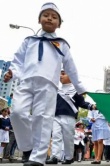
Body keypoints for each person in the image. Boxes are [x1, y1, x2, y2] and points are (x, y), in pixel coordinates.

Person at [3, 2, 86, 166]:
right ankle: (27, 148)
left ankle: (37, 158)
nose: (50, 18)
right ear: (39, 19)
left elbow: (71, 67)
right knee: (17, 113)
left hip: (48, 86)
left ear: (59, 24)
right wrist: (13, 73)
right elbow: (18, 61)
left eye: (54, 17)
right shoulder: (29, 40)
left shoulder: (61, 44)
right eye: (46, 15)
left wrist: (80, 88)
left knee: (43, 118)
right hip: (25, 82)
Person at [45, 70, 96, 165]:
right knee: (56, 136)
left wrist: (91, 106)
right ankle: (55, 157)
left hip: (69, 117)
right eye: (60, 73)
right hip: (56, 116)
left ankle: (69, 157)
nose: (60, 76)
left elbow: (82, 103)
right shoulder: (57, 90)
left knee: (68, 138)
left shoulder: (75, 91)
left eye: (63, 74)